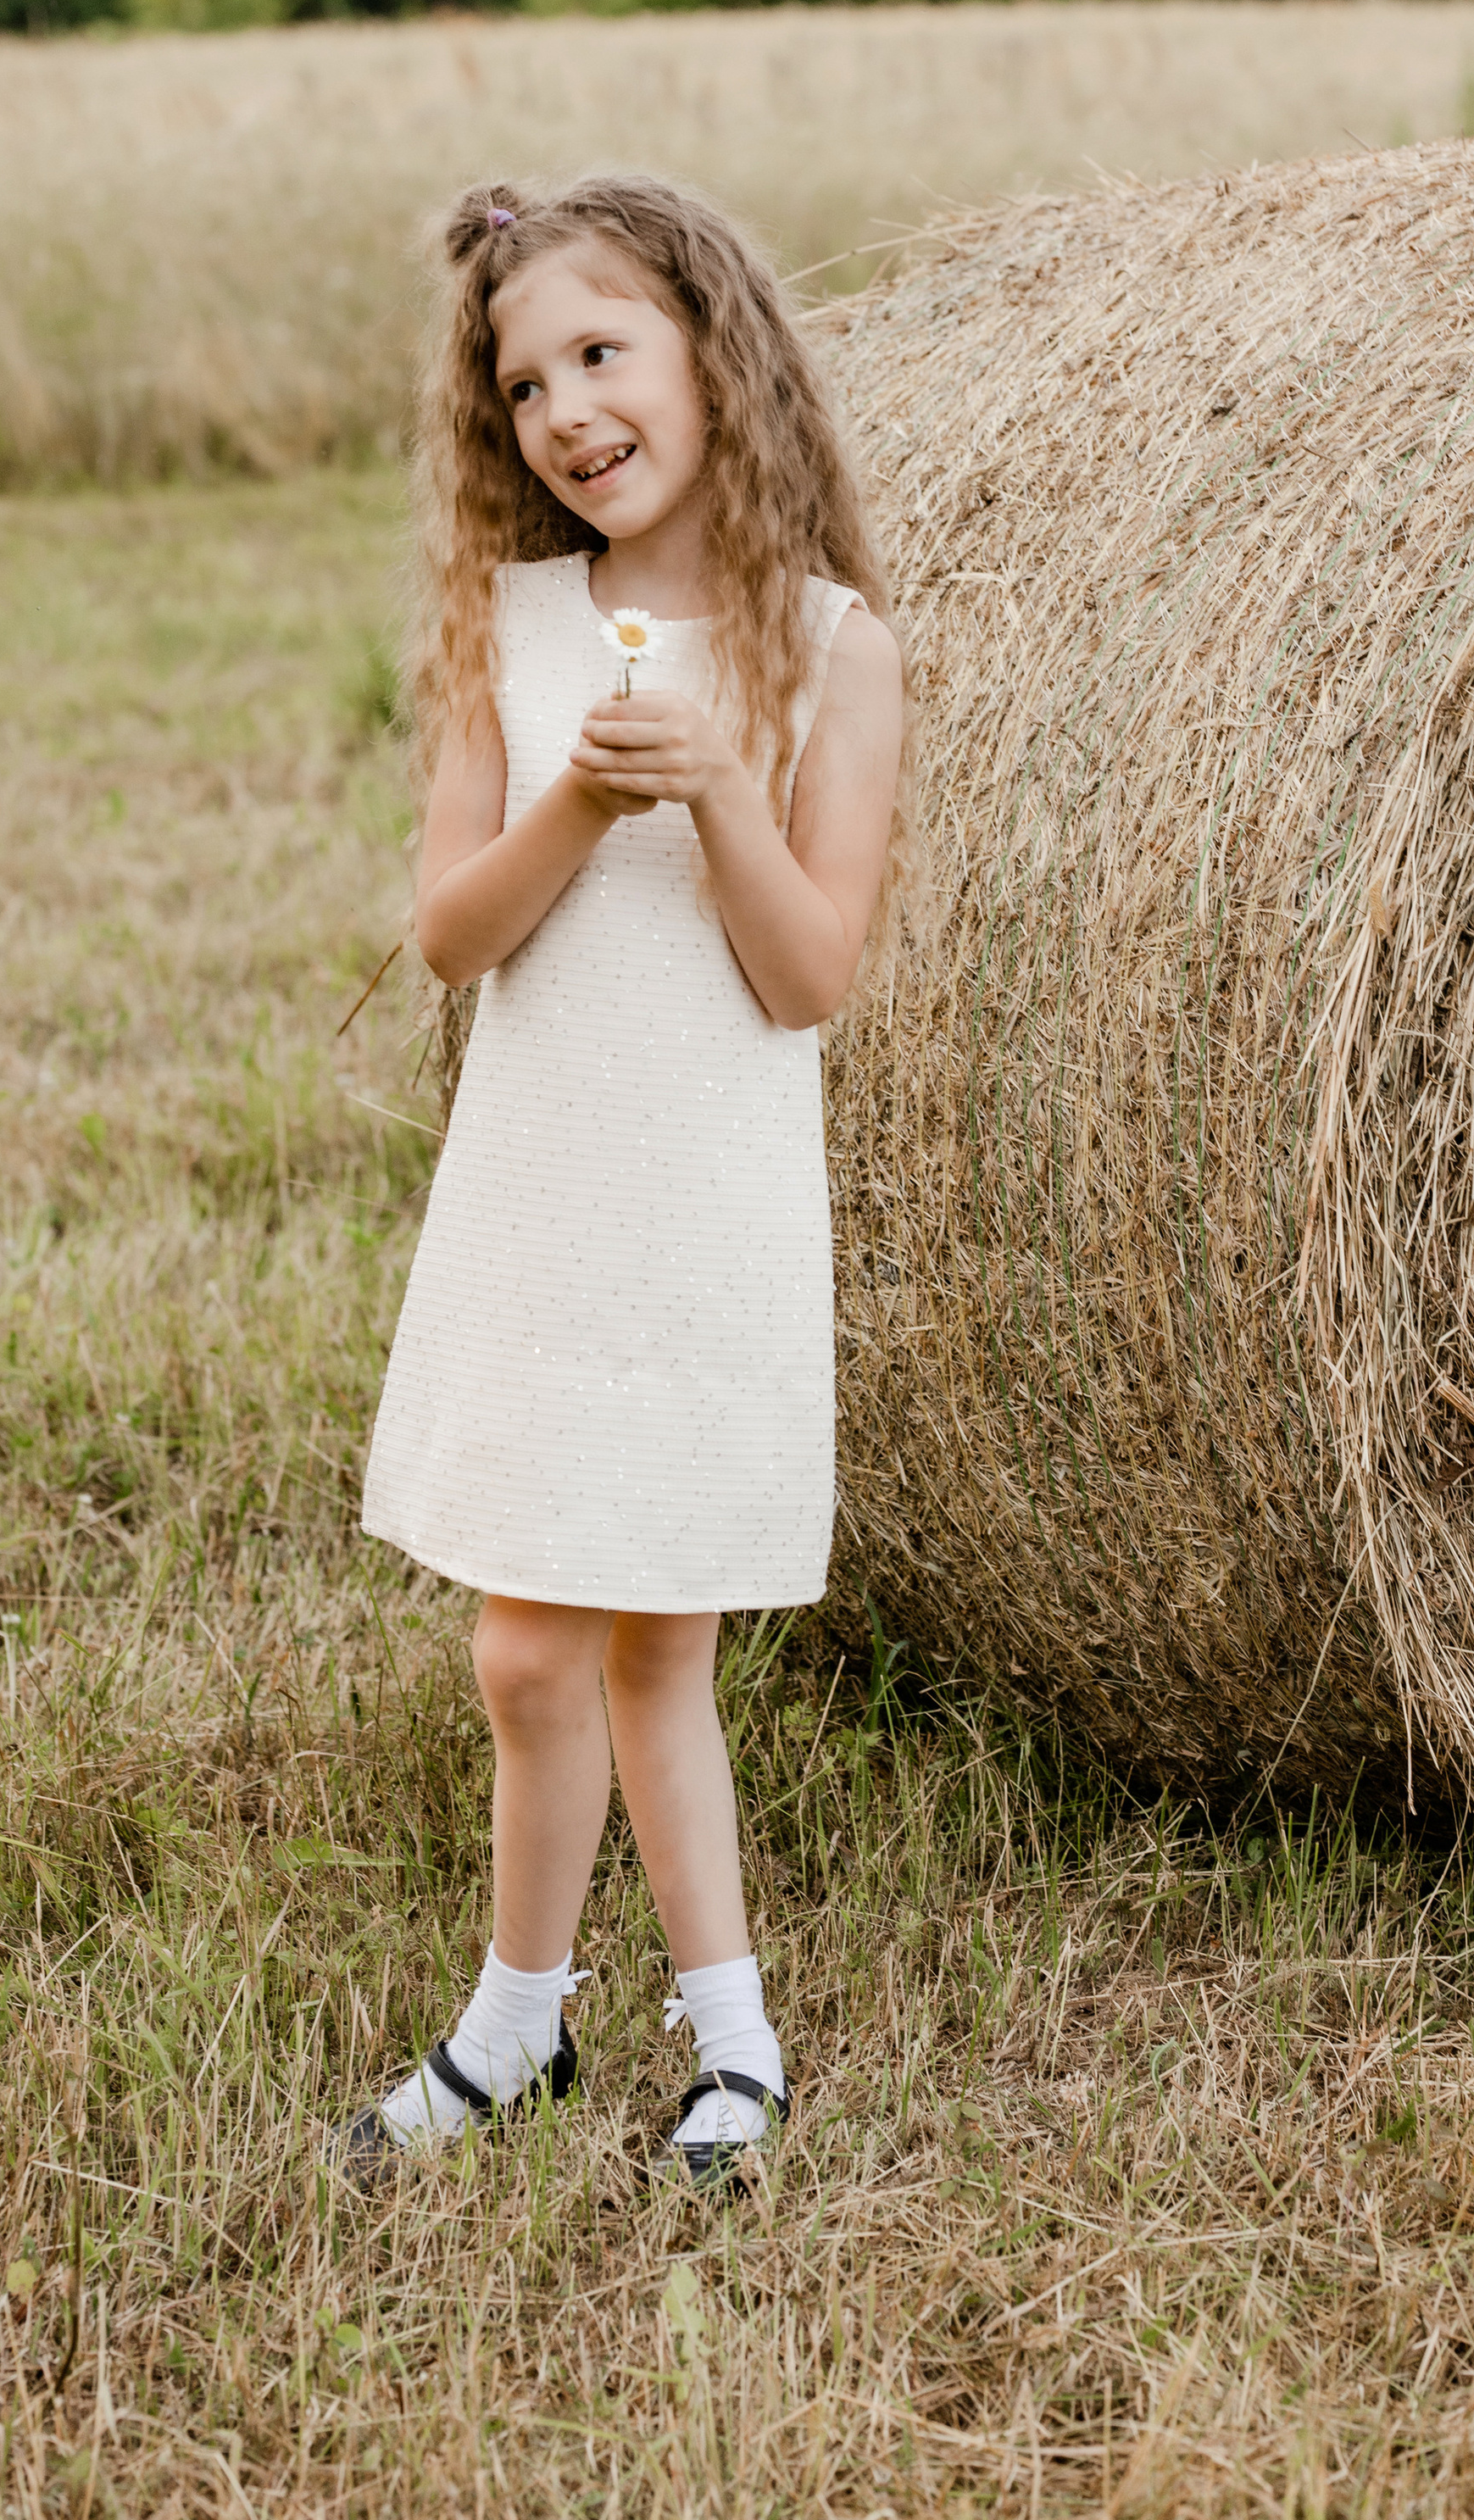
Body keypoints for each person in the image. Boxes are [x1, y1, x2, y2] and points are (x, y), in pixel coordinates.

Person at [341, 172, 905, 2189]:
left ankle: (727, 2038)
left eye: (601, 353)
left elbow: (804, 974)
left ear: (709, 357)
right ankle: (520, 2020)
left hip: (703, 1193)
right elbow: (452, 934)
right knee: (518, 1644)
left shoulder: (828, 651)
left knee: (659, 1642)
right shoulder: (511, 635)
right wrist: (583, 789)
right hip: (544, 1187)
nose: (566, 409)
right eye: (521, 385)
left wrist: (719, 795)